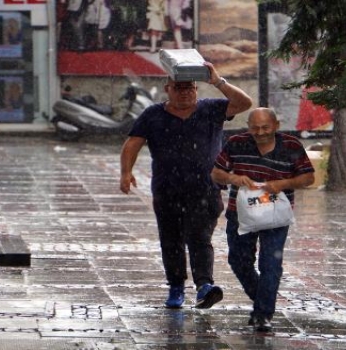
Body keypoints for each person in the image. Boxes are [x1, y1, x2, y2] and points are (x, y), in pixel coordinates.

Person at [119, 62, 252, 309]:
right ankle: (176, 287)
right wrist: (126, 173)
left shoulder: (211, 109)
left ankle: (204, 286)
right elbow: (132, 144)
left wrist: (218, 81)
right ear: (167, 89)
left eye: (190, 88)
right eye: (179, 88)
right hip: (167, 189)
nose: (185, 93)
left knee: (200, 237)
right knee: (171, 240)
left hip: (206, 188)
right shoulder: (153, 114)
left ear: (197, 89)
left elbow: (245, 103)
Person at [210, 107, 315, 332]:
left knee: (271, 264)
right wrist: (234, 178)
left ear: (276, 125)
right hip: (239, 214)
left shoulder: (291, 146)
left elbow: (308, 177)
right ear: (249, 127)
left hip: (276, 216)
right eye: (255, 128)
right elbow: (216, 173)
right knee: (238, 261)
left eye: (265, 127)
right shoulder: (237, 142)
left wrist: (282, 184)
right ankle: (262, 299)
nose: (260, 132)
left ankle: (262, 315)